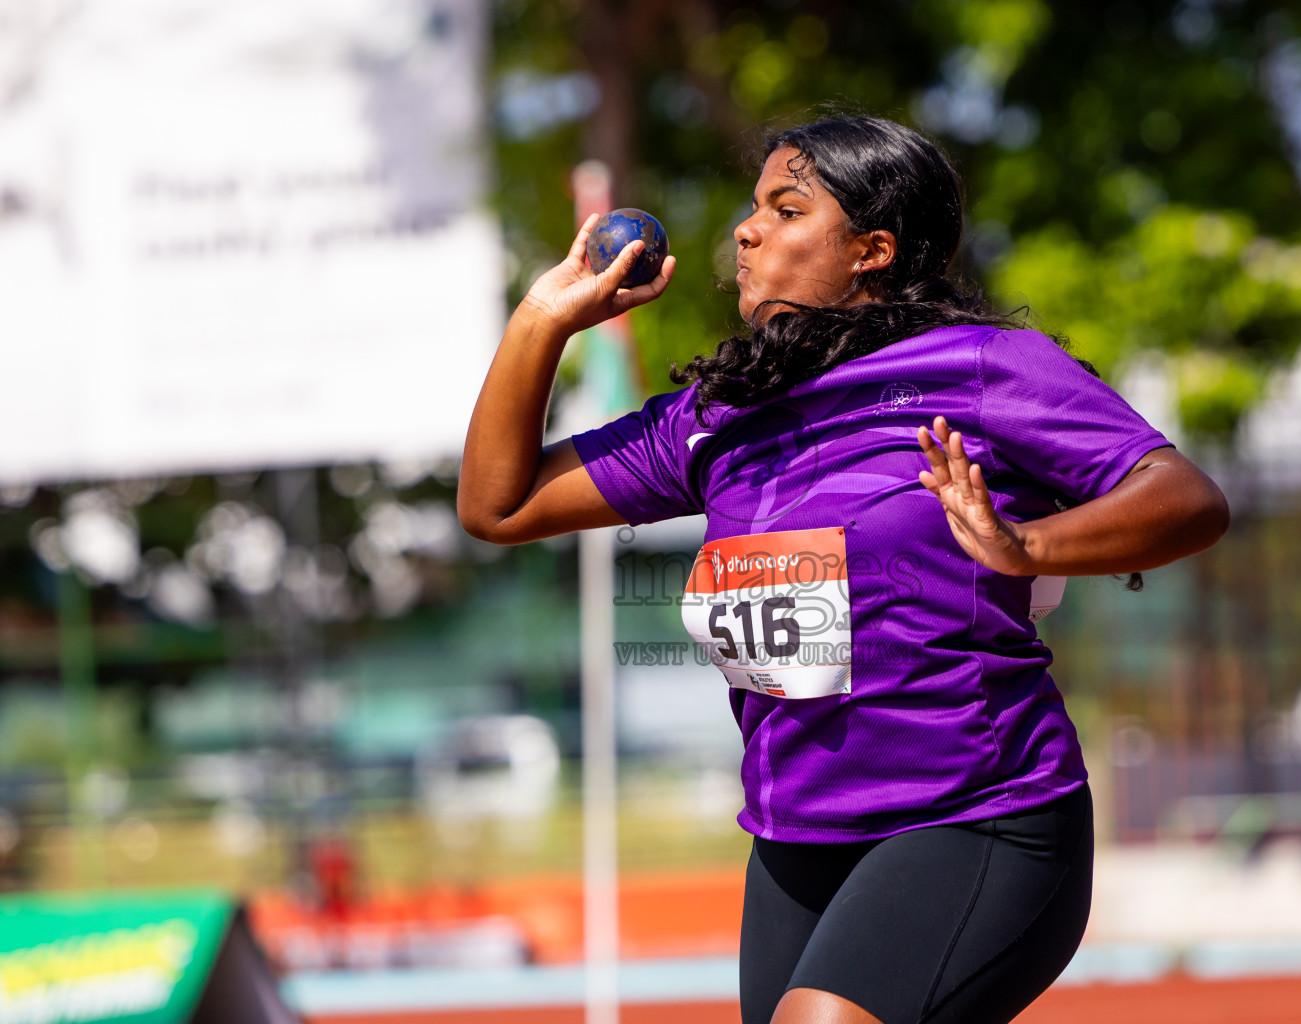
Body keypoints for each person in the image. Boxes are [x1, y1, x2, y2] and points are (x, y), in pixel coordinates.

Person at [458, 116, 1229, 1024]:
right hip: (795, 841)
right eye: (751, 210)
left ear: (872, 249)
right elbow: (497, 506)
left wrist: (1029, 547)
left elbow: (1184, 496)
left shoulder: (981, 369)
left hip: (974, 812)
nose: (745, 231)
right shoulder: (720, 418)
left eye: (785, 210)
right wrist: (543, 320)